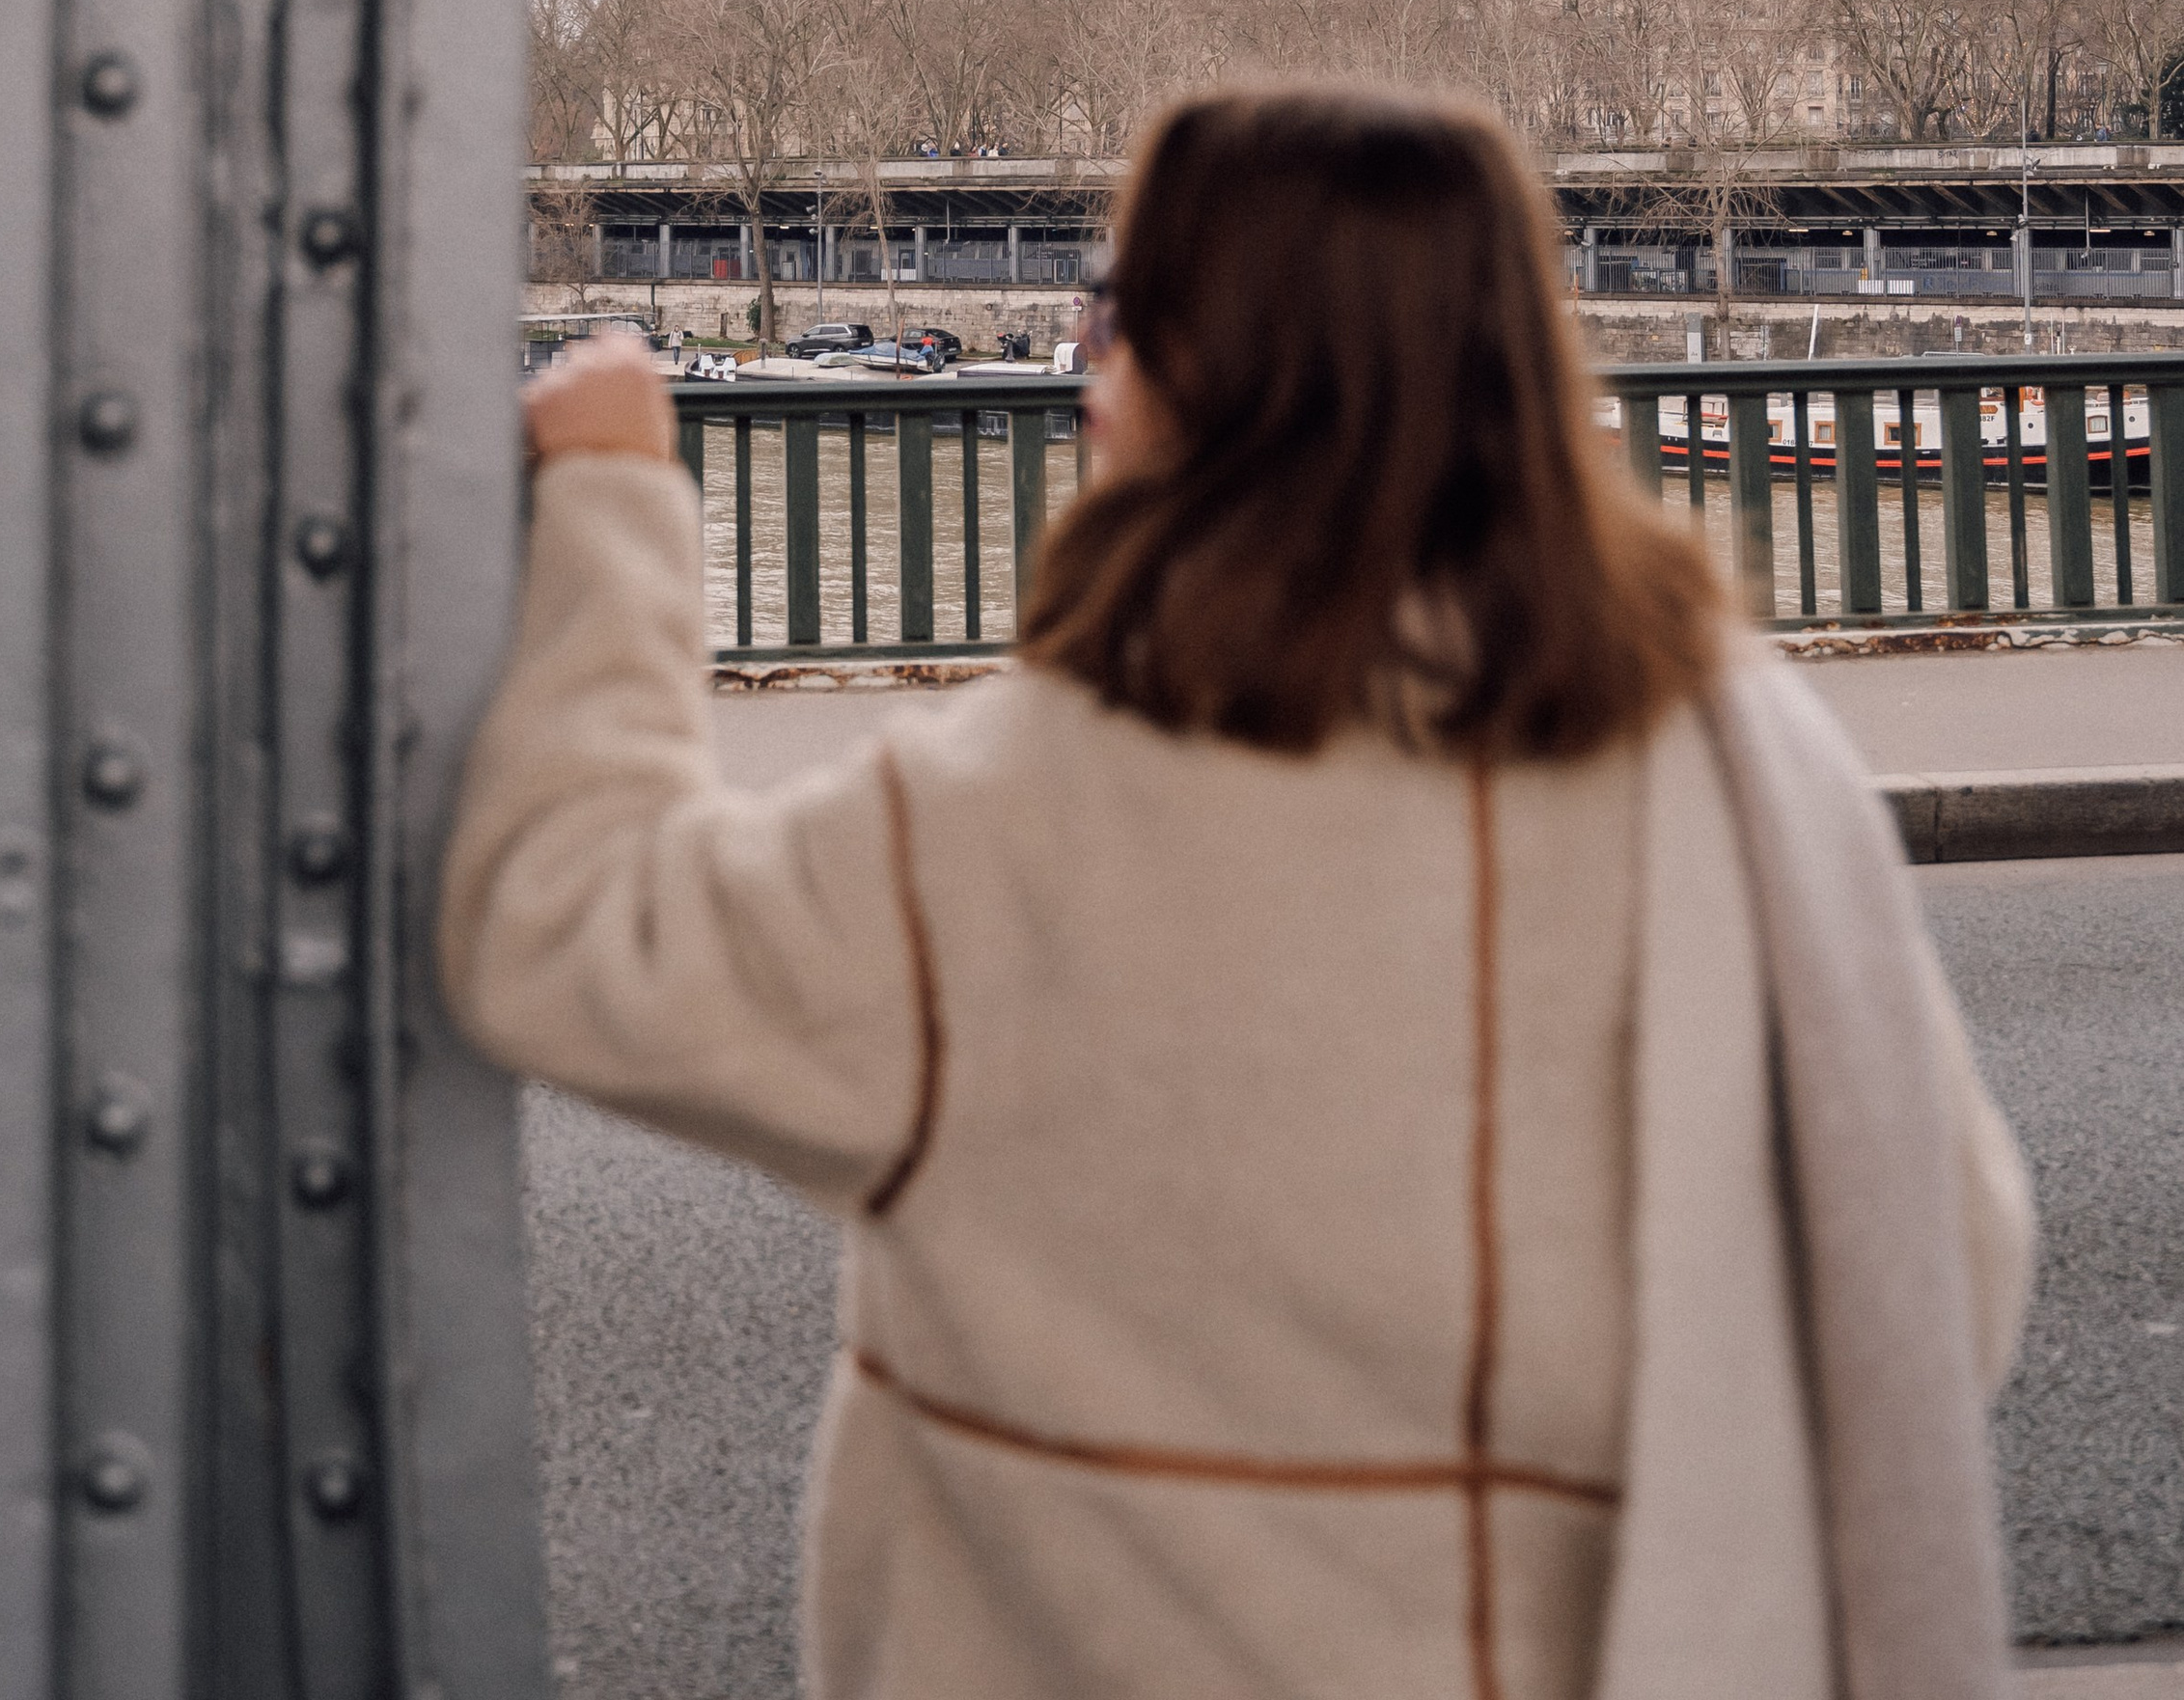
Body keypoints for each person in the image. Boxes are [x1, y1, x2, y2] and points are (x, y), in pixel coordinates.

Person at [439, 90, 2032, 1700]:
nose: (1081, 354)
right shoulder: (1731, 778)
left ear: (1186, 375)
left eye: (1113, 308)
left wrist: (619, 498)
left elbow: (569, 931)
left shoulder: (1011, 818)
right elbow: (1939, 1278)